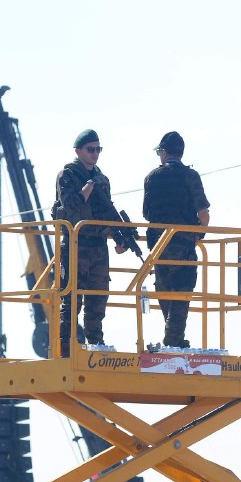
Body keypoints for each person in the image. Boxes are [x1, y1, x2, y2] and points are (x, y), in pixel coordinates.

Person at [53, 130, 128, 355]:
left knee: (98, 297)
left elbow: (106, 212)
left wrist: (119, 236)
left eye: (98, 149)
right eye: (90, 149)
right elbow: (72, 205)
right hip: (75, 244)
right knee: (71, 300)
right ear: (78, 151)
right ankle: (66, 349)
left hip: (97, 245)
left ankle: (95, 344)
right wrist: (89, 185)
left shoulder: (101, 178)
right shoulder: (67, 175)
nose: (95, 154)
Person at [142, 131, 210, 349]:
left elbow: (147, 213)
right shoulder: (191, 177)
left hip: (159, 248)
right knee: (181, 294)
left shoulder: (151, 178)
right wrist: (199, 234)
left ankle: (175, 340)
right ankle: (173, 341)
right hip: (182, 246)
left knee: (166, 293)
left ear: (163, 152)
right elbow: (204, 215)